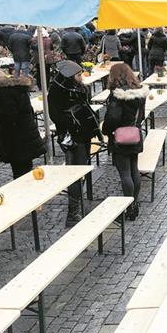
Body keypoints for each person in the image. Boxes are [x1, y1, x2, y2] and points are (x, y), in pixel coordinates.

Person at [48, 60, 102, 226]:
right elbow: (56, 116)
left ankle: (77, 203)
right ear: (69, 76)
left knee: (82, 169)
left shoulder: (75, 88)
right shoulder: (58, 92)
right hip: (72, 137)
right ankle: (73, 211)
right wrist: (73, 123)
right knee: (75, 173)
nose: (81, 77)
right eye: (78, 75)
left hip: (83, 135)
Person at [102, 63, 149, 220]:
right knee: (134, 170)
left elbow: (113, 118)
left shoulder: (117, 95)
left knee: (125, 173)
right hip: (135, 135)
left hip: (120, 138)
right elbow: (141, 116)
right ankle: (134, 204)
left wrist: (106, 130)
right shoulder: (139, 92)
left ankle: (129, 207)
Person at [0, 67, 45, 179]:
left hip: (17, 141)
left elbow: (7, 118)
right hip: (25, 138)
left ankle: (25, 195)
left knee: (21, 174)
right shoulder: (16, 88)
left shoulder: (4, 93)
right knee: (25, 170)